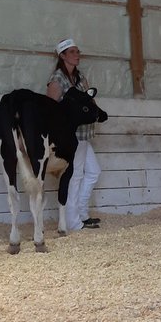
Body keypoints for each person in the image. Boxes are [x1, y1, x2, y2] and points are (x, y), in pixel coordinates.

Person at [46, 37, 101, 230]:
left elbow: (89, 101)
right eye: (72, 52)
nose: (77, 55)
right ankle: (73, 222)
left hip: (84, 133)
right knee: (76, 174)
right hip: (71, 135)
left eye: (77, 51)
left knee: (93, 172)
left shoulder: (80, 77)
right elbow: (51, 109)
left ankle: (82, 213)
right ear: (62, 56)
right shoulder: (57, 79)